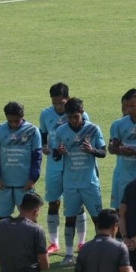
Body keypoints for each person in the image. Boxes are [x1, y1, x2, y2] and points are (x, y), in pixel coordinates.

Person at [52, 98, 107, 266]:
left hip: (90, 182)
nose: (73, 120)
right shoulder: (61, 131)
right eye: (70, 117)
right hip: (70, 183)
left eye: (76, 116)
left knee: (98, 219)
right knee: (70, 218)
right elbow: (55, 155)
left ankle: (101, 252)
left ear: (82, 113)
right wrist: (59, 152)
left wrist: (92, 150)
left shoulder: (93, 129)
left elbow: (103, 152)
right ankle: (69, 255)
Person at [39, 83, 87, 253]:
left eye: (61, 102)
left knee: (76, 203)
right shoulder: (45, 114)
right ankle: (54, 243)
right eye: (55, 103)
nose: (58, 106)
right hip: (54, 165)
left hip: (74, 165)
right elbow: (43, 133)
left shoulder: (79, 115)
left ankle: (81, 242)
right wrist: (44, 146)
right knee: (53, 201)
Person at [0, 101, 42, 219]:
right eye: (10, 121)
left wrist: (33, 178)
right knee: (2, 218)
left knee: (29, 219)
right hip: (4, 183)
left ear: (22, 117)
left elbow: (37, 157)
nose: (13, 124)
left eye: (16, 121)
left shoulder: (32, 131)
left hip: (25, 184)